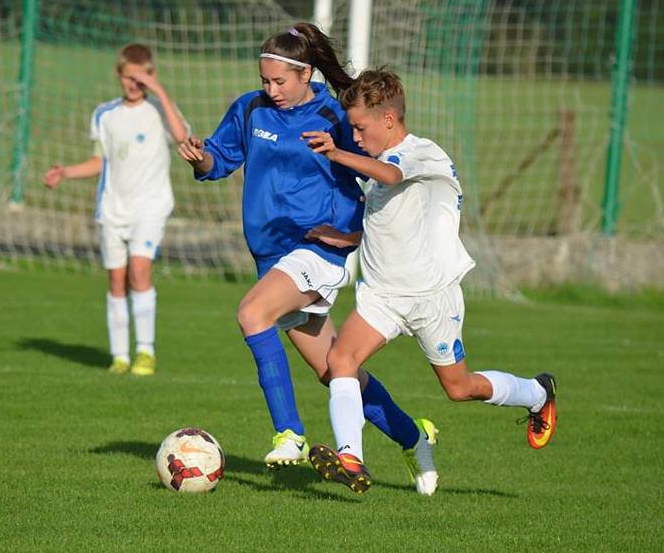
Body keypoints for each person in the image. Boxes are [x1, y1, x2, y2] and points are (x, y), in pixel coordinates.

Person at [178, 24, 437, 489]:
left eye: (280, 82)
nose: (270, 90)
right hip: (271, 257)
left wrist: (361, 227)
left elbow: (382, 158)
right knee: (335, 370)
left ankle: (290, 434)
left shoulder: (334, 113)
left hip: (317, 248)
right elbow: (220, 160)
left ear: (306, 74)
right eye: (265, 80)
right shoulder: (250, 109)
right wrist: (199, 158)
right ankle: (414, 436)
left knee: (251, 313)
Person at [303, 68, 557, 495]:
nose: (357, 138)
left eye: (360, 129)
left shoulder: (421, 154)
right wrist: (344, 237)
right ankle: (352, 458)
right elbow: (393, 224)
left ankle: (537, 393)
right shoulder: (379, 161)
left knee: (459, 388)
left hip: (432, 298)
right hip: (384, 296)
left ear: (389, 119)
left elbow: (392, 176)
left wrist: (336, 154)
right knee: (340, 362)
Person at [43, 43, 188, 376]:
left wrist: (160, 91)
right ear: (118, 76)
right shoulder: (104, 114)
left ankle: (146, 352)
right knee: (116, 280)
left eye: (141, 78)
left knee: (140, 271)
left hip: (150, 207)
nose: (133, 85)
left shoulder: (159, 111)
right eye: (128, 77)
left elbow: (181, 137)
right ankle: (120, 356)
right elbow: (100, 161)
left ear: (151, 76)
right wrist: (65, 172)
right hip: (112, 209)